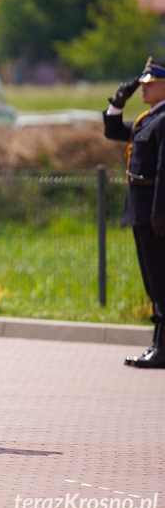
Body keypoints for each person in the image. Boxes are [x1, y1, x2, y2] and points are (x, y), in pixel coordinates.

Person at [104, 57, 165, 369]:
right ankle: (158, 344)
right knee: (153, 282)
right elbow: (114, 132)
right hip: (142, 209)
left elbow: (163, 170)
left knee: (160, 280)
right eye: (142, 84)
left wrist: (159, 212)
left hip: (155, 212)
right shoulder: (148, 118)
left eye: (150, 84)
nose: (144, 88)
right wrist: (117, 103)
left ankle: (163, 348)